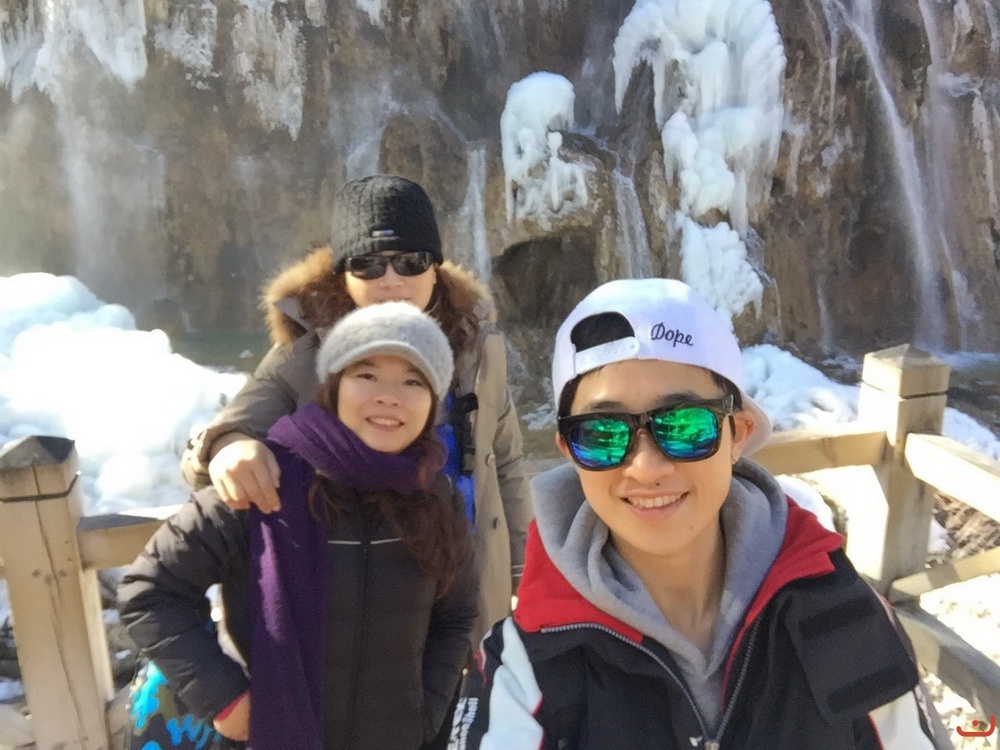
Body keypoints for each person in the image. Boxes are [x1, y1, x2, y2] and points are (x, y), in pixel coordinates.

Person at [449, 278, 943, 749]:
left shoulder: (844, 617)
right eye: (603, 433)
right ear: (569, 452)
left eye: (685, 425)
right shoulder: (524, 669)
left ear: (738, 433)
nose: (646, 467)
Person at [180, 175, 531, 650]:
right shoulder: (306, 352)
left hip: (469, 592)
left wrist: (520, 572)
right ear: (343, 275)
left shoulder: (478, 348)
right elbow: (224, 435)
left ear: (435, 269)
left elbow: (505, 463)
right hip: (364, 608)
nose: (391, 280)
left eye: (411, 261)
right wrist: (227, 446)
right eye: (368, 264)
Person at [119, 303, 478, 749]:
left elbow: (457, 614)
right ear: (333, 386)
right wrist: (225, 700)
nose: (389, 396)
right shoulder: (264, 481)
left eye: (413, 381)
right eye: (366, 374)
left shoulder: (435, 496)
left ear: (433, 401)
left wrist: (426, 715)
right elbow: (149, 591)